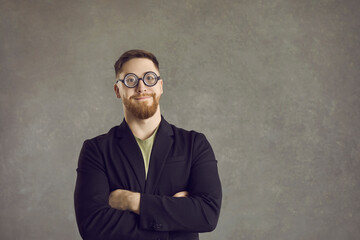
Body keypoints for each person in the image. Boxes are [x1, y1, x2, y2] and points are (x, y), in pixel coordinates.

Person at [74, 49, 222, 240]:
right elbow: (92, 227)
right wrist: (176, 220)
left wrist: (133, 201)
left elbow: (207, 215)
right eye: (130, 80)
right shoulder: (96, 150)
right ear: (118, 90)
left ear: (160, 86)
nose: (141, 87)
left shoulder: (195, 144)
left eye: (149, 78)